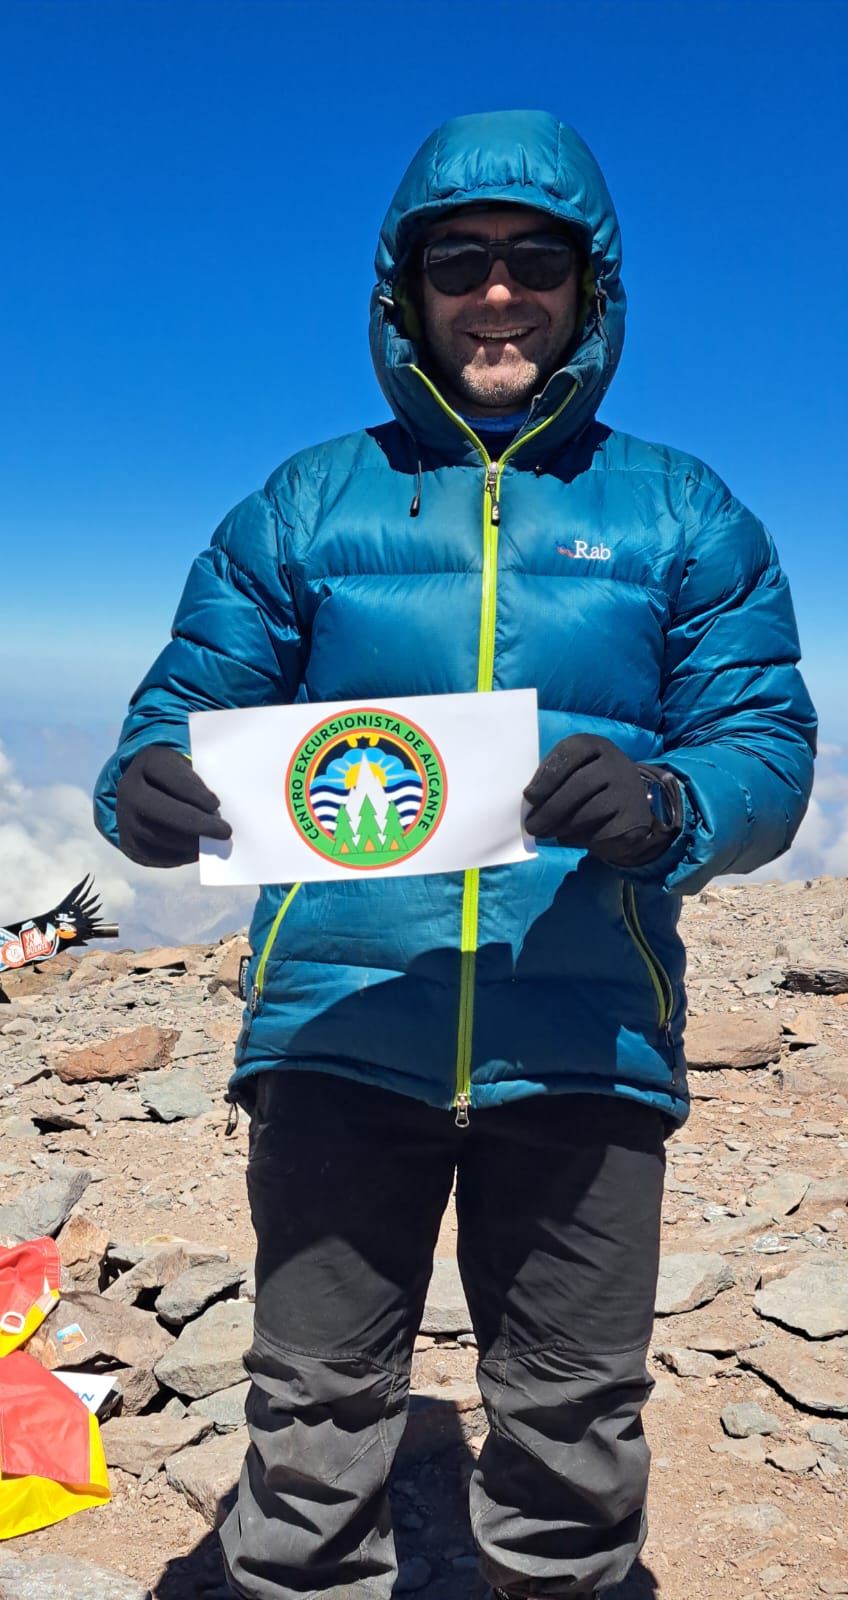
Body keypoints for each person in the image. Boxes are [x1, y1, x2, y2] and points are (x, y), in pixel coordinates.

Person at [92, 110, 816, 1600]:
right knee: (311, 1417)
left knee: (571, 1430)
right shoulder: (306, 504)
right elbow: (180, 712)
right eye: (459, 262)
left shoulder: (686, 514)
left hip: (586, 1042)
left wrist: (674, 805)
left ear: (591, 287)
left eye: (533, 259)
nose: (497, 294)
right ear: (403, 293)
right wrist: (143, 787)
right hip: (342, 1032)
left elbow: (765, 749)